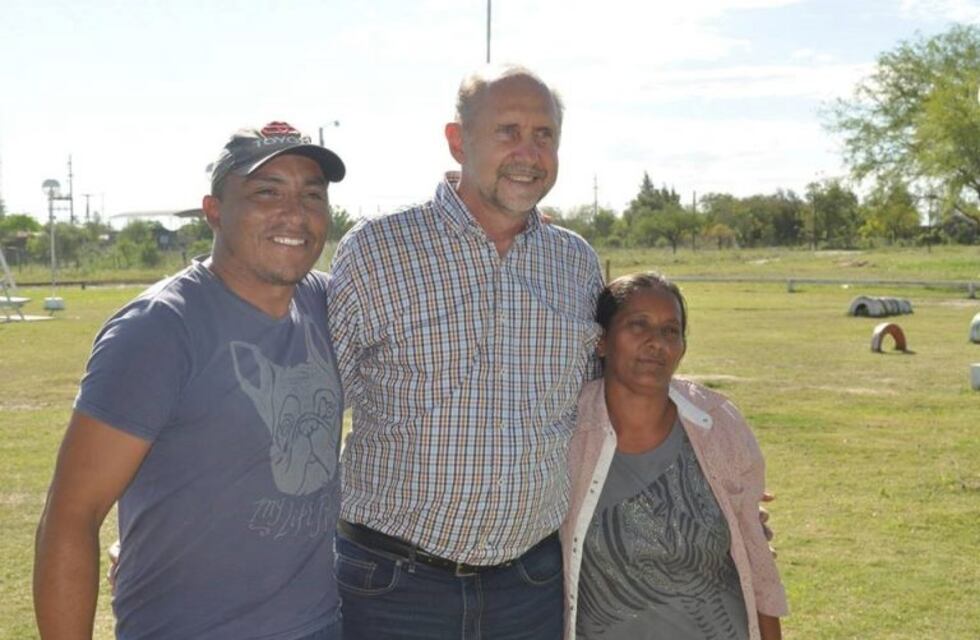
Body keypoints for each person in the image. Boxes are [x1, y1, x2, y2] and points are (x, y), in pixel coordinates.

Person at [34, 122, 347, 640]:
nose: (295, 213)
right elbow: (72, 514)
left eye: (311, 195)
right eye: (267, 192)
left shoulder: (327, 304)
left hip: (318, 626)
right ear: (215, 211)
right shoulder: (159, 329)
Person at [327, 65, 604, 638]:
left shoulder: (575, 263)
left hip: (529, 585)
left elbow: (603, 407)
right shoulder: (379, 250)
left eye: (544, 134)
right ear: (458, 140)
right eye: (507, 131)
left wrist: (713, 500)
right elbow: (308, 412)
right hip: (392, 585)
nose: (528, 152)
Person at [560, 272, 788, 640]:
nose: (656, 342)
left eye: (671, 331)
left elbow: (759, 570)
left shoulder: (716, 424)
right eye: (638, 325)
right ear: (601, 341)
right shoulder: (566, 432)